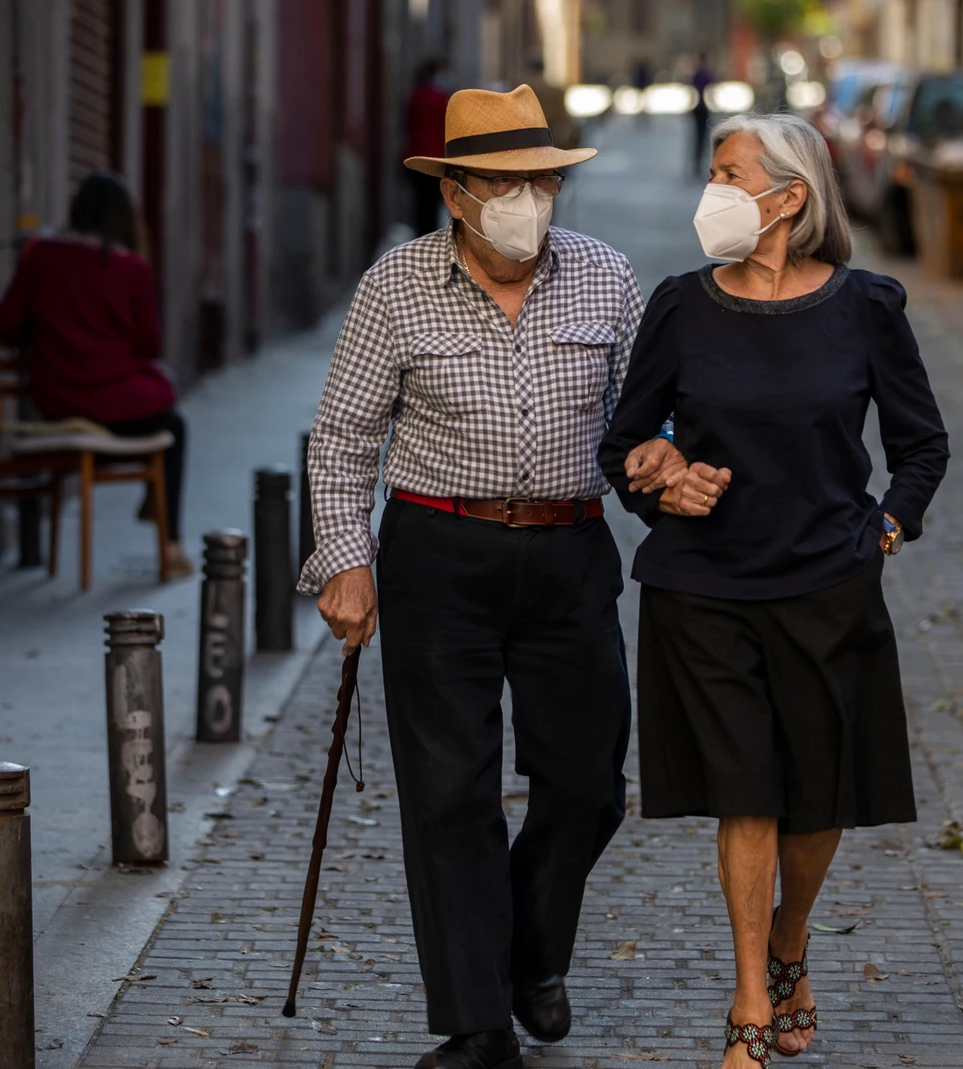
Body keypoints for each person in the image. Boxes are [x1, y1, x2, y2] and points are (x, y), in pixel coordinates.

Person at [298, 85, 645, 1069]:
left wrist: (669, 466)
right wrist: (345, 561)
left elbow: (642, 424)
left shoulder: (606, 277)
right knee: (450, 791)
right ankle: (479, 1020)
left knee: (586, 787)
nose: (527, 199)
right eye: (503, 182)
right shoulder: (394, 287)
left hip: (571, 551)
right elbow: (342, 443)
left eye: (540, 181)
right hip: (437, 554)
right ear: (454, 192)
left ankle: (530, 949)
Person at [598, 113, 950, 1068]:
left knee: (817, 801)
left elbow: (922, 443)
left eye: (728, 173)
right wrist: (661, 472)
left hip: (828, 586)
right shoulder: (679, 304)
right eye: (713, 172)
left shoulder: (867, 306)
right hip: (702, 587)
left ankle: (793, 939)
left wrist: (887, 523)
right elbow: (621, 443)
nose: (711, 190)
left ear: (788, 197)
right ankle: (751, 989)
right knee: (744, 790)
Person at [0, 171, 192, 581]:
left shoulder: (40, 255)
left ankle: (157, 503)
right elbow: (148, 346)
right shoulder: (131, 269)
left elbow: (6, 323)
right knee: (173, 422)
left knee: (164, 413)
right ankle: (170, 545)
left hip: (56, 399)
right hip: (117, 403)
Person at [404, 58, 453, 237]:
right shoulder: (441, 99)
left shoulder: (414, 96)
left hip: (415, 159)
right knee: (433, 205)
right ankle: (431, 239)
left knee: (420, 207)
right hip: (436, 159)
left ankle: (421, 238)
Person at [690, 53, 716, 177]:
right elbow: (710, 91)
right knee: (702, 136)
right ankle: (699, 162)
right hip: (703, 108)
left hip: (698, 107)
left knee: (698, 136)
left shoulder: (697, 74)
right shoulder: (705, 74)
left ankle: (697, 162)